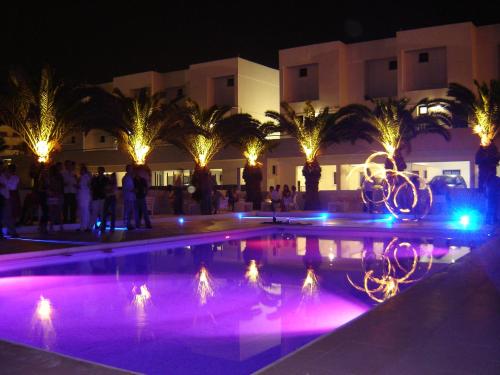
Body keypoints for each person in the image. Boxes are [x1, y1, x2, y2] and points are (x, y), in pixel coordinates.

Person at [0, 163, 19, 238]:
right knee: (6, 215)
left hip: (5, 197)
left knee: (7, 215)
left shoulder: (8, 176)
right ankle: (10, 232)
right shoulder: (3, 176)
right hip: (4, 197)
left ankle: (11, 231)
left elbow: (12, 187)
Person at [47, 163, 64, 232]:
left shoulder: (50, 177)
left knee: (52, 211)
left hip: (52, 195)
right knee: (58, 211)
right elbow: (61, 186)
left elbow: (48, 186)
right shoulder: (59, 176)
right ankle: (60, 226)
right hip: (58, 194)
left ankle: (52, 226)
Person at [90, 167, 108, 231]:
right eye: (99, 171)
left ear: (103, 171)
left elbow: (107, 188)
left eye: (100, 171)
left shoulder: (106, 179)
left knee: (101, 212)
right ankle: (91, 226)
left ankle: (101, 226)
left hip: (102, 197)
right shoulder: (95, 179)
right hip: (96, 197)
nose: (99, 172)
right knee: (95, 212)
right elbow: (92, 187)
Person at [77, 164, 92, 231]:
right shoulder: (81, 177)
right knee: (82, 211)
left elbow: (89, 185)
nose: (80, 171)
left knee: (85, 210)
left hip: (85, 196)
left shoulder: (86, 177)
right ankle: (82, 226)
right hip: (81, 195)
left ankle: (85, 226)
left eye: (81, 170)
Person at [122, 164, 136, 229]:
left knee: (130, 211)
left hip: (130, 197)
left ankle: (129, 223)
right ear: (128, 170)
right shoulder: (126, 178)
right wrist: (133, 190)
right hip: (128, 197)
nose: (132, 170)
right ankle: (127, 224)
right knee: (128, 211)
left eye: (132, 169)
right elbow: (126, 188)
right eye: (131, 169)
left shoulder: (129, 177)